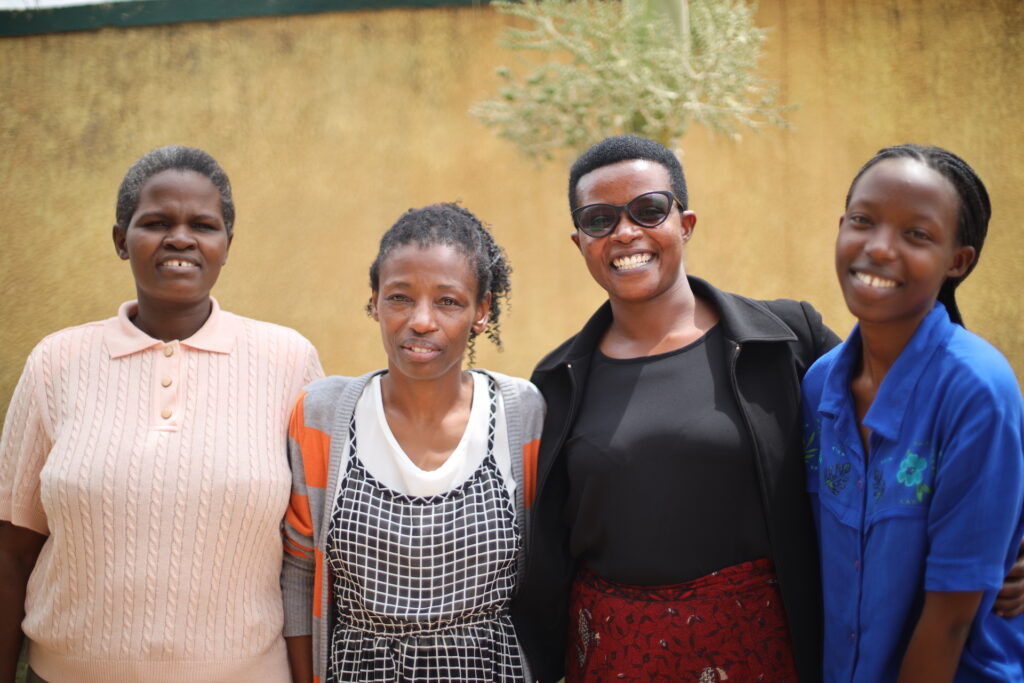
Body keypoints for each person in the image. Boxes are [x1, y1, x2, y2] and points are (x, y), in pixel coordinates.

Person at [510, 135, 1024, 683]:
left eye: (649, 210)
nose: (626, 232)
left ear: (685, 223)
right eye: (599, 219)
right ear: (579, 240)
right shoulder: (558, 380)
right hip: (616, 656)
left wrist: (1008, 542)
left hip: (763, 650)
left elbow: (967, 444)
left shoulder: (785, 341)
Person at [0, 146, 324, 682]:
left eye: (203, 224)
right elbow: (11, 553)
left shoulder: (289, 361)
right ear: (121, 241)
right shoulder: (55, 362)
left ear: (226, 246)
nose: (180, 238)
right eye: (155, 222)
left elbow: (308, 555)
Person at [281, 203, 545, 683]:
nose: (422, 321)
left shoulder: (520, 413)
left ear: (481, 310)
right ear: (375, 301)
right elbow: (299, 571)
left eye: (448, 301)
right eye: (401, 298)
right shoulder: (322, 415)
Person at [802, 144, 1024, 681]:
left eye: (917, 234)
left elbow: (950, 622)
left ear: (958, 260)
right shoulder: (819, 386)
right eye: (863, 221)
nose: (879, 248)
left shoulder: (975, 390)